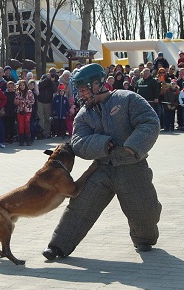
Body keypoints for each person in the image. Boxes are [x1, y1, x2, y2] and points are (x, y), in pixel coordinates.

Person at [42, 63, 162, 260]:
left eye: (83, 89)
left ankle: (144, 237)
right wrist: (103, 144)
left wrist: (133, 146)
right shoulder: (84, 114)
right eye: (79, 89)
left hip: (132, 165)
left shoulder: (127, 99)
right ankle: (58, 246)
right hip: (101, 168)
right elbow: (78, 142)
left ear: (98, 84)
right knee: (80, 206)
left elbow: (149, 121)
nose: (81, 94)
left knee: (144, 213)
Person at [37, 69, 59, 138]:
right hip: (40, 100)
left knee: (48, 118)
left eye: (53, 73)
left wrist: (52, 82)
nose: (52, 75)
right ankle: (41, 132)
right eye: (51, 73)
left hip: (48, 101)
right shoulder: (44, 77)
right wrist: (47, 79)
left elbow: (54, 90)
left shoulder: (56, 80)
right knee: (40, 117)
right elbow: (40, 85)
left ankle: (47, 132)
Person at [14, 79, 34, 146]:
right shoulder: (17, 92)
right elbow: (16, 102)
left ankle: (28, 140)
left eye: (23, 85)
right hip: (20, 111)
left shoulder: (29, 92)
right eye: (20, 85)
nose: (22, 86)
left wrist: (25, 101)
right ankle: (21, 140)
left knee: (27, 125)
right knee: (21, 125)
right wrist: (18, 100)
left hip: (27, 111)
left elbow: (32, 101)